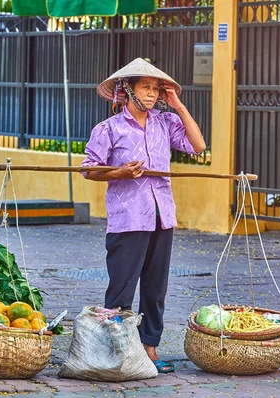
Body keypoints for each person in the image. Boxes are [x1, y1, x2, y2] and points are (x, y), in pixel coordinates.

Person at [80, 58, 206, 373]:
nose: (151, 95)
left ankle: (149, 351)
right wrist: (119, 172)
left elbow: (198, 145)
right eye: (145, 88)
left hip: (162, 216)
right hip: (128, 219)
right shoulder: (108, 129)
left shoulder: (165, 122)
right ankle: (116, 352)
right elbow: (88, 169)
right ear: (128, 90)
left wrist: (176, 103)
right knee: (122, 288)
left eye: (155, 89)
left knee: (155, 288)